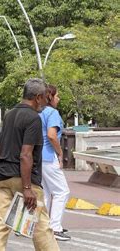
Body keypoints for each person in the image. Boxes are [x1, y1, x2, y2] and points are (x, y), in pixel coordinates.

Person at [0, 78, 59, 251]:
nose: (45, 102)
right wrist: (27, 187)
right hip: (23, 178)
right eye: (44, 97)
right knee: (42, 226)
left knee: (1, 225)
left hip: (3, 176)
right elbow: (26, 154)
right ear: (37, 97)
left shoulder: (9, 114)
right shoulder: (33, 118)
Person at [40, 84, 71, 241]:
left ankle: (42, 225)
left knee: (45, 193)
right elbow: (52, 136)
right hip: (49, 156)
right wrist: (60, 153)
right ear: (50, 97)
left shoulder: (38, 112)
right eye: (57, 96)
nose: (59, 99)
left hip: (38, 157)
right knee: (61, 191)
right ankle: (55, 227)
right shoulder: (52, 112)